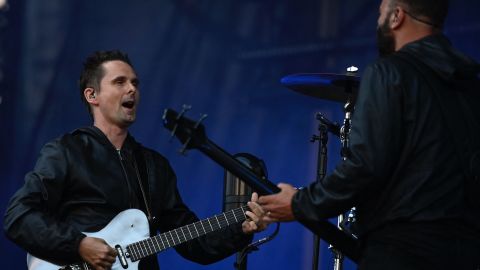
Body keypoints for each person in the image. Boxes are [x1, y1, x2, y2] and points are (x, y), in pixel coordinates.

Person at [259, 0, 480, 269]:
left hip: (401, 249)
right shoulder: (470, 83)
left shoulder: (389, 71)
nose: (378, 21)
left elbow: (366, 167)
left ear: (396, 16)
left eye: (381, 12)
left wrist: (299, 203)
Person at [3, 50, 267, 270]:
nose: (132, 89)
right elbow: (19, 216)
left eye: (135, 83)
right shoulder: (66, 151)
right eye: (120, 82)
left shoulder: (154, 166)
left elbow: (193, 243)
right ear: (92, 95)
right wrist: (78, 245)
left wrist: (239, 229)